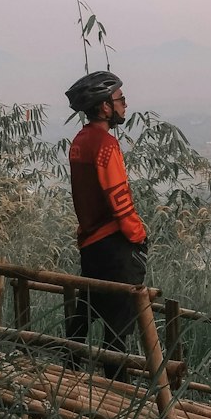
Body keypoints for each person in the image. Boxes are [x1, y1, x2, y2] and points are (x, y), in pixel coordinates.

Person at [65, 70, 149, 376]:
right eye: (120, 99)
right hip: (116, 248)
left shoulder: (79, 141)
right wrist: (138, 234)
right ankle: (117, 393)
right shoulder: (106, 145)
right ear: (104, 107)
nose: (125, 105)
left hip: (90, 243)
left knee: (85, 313)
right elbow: (119, 199)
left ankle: (70, 375)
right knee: (118, 329)